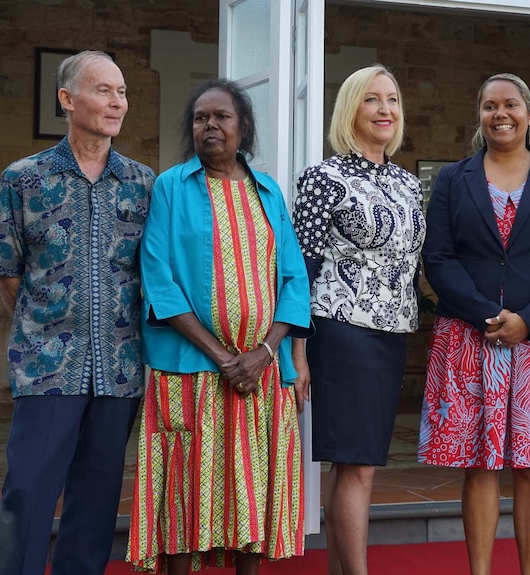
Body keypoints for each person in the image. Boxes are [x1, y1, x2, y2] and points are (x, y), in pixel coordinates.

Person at [0, 50, 154, 575]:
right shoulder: (23, 178)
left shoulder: (143, 183)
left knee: (96, 503)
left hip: (119, 371)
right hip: (46, 369)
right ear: (67, 99)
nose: (117, 102)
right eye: (103, 90)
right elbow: (6, 272)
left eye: (121, 92)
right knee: (28, 495)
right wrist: (46, 327)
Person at [126, 79, 312, 573]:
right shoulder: (171, 186)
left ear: (243, 127)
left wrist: (265, 353)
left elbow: (294, 279)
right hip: (189, 368)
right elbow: (158, 279)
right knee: (186, 487)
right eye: (200, 118)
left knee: (250, 483)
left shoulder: (268, 191)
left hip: (260, 374)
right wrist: (224, 356)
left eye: (221, 117)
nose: (209, 126)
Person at [417, 73, 530, 575]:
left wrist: (529, 320)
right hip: (470, 337)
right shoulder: (453, 179)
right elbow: (439, 257)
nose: (500, 114)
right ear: (480, 115)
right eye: (490, 106)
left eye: (511, 105)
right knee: (480, 465)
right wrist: (485, 315)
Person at [292, 64, 425, 575]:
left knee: (359, 460)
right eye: (372, 100)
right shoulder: (324, 178)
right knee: (356, 460)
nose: (385, 110)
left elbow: (412, 265)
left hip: (392, 334)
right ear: (351, 110)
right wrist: (299, 351)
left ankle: (342, 569)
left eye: (392, 99)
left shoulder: (408, 184)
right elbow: (299, 269)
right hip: (341, 329)